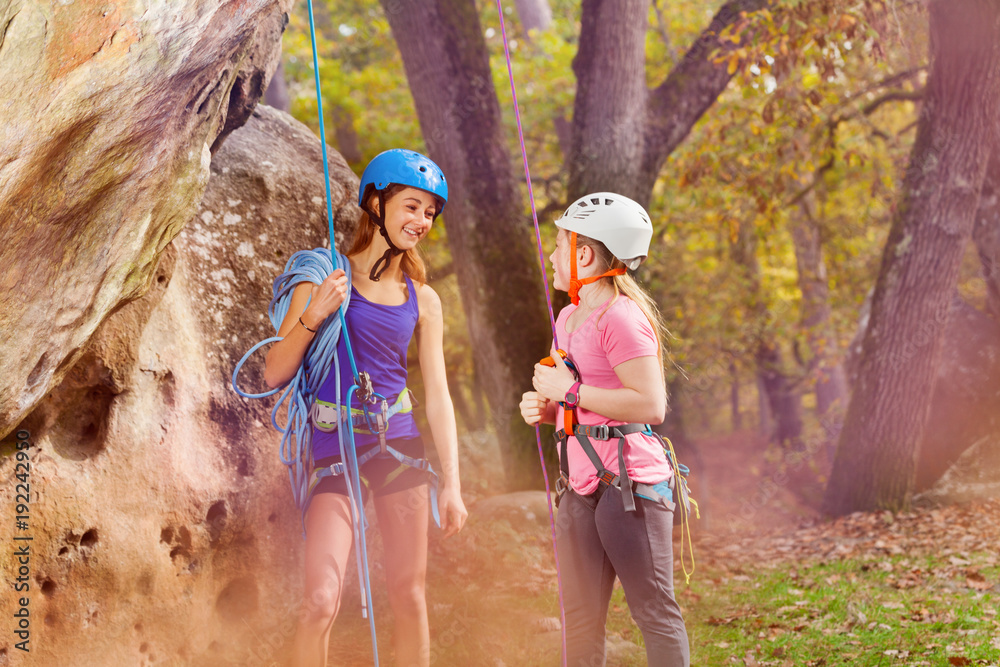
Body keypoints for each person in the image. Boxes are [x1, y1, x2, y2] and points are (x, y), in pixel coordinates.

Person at [263, 149, 468, 667]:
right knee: (319, 603)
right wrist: (315, 314)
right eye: (412, 206)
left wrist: (454, 485)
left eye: (430, 213)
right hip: (334, 447)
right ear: (376, 203)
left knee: (409, 594)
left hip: (398, 443)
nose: (422, 221)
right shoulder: (324, 277)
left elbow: (438, 396)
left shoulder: (424, 299)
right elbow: (273, 372)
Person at [519, 192, 690, 666]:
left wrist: (568, 393)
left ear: (585, 255)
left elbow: (650, 405)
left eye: (559, 245)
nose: (552, 255)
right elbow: (589, 406)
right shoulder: (569, 317)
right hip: (579, 484)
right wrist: (551, 410)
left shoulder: (622, 316)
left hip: (631, 484)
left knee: (654, 612)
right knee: (579, 617)